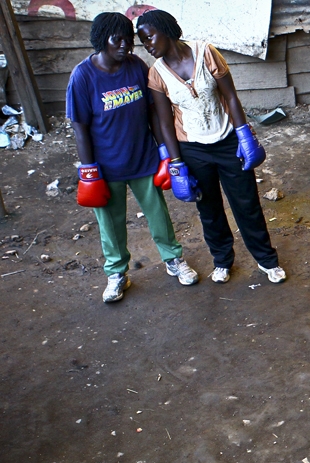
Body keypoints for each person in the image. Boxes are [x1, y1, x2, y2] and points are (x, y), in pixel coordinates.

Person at [135, 10, 285, 285]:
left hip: (227, 141)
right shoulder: (156, 75)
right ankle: (222, 261)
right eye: (143, 42)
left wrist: (244, 135)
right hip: (192, 149)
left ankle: (267, 260)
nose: (148, 45)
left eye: (150, 37)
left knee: (246, 203)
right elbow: (165, 122)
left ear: (166, 30)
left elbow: (230, 95)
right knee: (209, 208)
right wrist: (175, 162)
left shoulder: (205, 53)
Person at [67, 12, 199, 303]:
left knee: (158, 215)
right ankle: (116, 274)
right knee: (110, 224)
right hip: (106, 166)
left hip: (142, 158)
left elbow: (154, 111)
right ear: (102, 40)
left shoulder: (137, 67)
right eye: (118, 39)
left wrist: (164, 150)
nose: (125, 45)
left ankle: (173, 259)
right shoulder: (83, 77)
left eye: (129, 40)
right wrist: (89, 172)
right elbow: (80, 128)